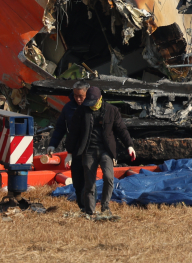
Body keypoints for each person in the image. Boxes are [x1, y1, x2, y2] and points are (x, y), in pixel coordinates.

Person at [45, 81, 136, 217]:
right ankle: (86, 208)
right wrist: (57, 146)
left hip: (101, 149)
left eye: (81, 96)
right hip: (79, 149)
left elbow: (121, 129)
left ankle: (103, 207)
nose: (78, 99)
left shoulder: (110, 110)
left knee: (106, 177)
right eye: (75, 96)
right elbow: (64, 130)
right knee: (81, 181)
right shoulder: (71, 109)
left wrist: (129, 145)